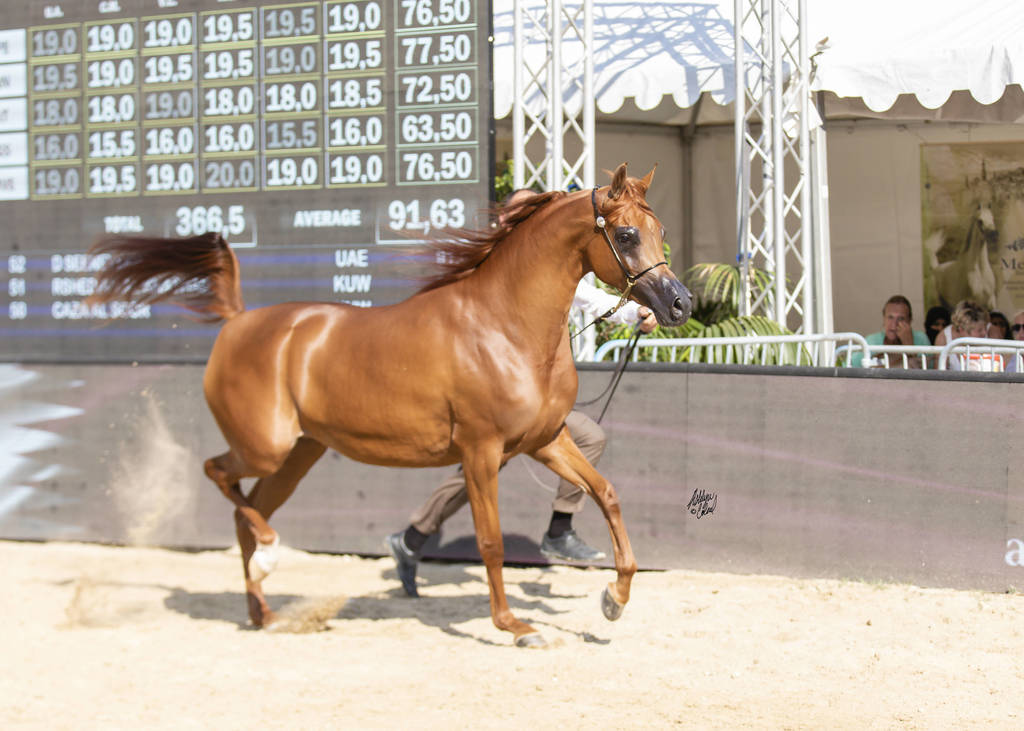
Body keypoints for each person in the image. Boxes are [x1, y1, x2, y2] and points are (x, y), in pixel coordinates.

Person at [386, 189, 657, 598]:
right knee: (481, 469)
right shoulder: (491, 273)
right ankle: (412, 538)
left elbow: (588, 299)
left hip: (532, 399)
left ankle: (558, 528)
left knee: (586, 437)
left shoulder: (545, 270)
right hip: (488, 395)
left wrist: (633, 312)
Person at [851, 295, 930, 368]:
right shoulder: (871, 340)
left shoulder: (921, 339)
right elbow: (851, 366)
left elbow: (927, 373)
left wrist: (909, 346)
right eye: (890, 317)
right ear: (884, 319)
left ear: (909, 321)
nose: (894, 324)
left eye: (901, 319)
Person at [933, 300, 989, 370]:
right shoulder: (943, 339)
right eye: (979, 330)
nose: (985, 333)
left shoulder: (992, 332)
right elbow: (939, 375)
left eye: (986, 327)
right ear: (961, 329)